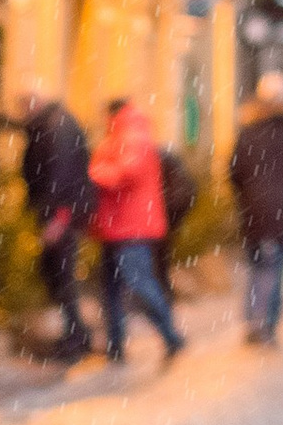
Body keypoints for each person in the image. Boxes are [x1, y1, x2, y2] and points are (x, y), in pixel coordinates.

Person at [88, 93, 184, 364]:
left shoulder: (134, 136)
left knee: (139, 284)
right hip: (116, 227)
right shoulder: (120, 138)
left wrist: (94, 172)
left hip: (133, 229)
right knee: (111, 289)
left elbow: (124, 175)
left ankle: (170, 335)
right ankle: (115, 344)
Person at [230, 71, 283, 345]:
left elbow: (234, 170)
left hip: (253, 208)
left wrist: (247, 193)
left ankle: (255, 318)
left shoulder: (249, 129)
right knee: (275, 267)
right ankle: (267, 322)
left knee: (257, 265)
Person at [17, 91, 95, 363]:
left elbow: (63, 176)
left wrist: (59, 219)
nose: (21, 114)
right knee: (57, 275)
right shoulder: (51, 122)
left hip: (61, 215)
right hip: (60, 213)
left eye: (22, 106)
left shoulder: (56, 128)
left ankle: (76, 337)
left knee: (62, 276)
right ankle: (77, 334)